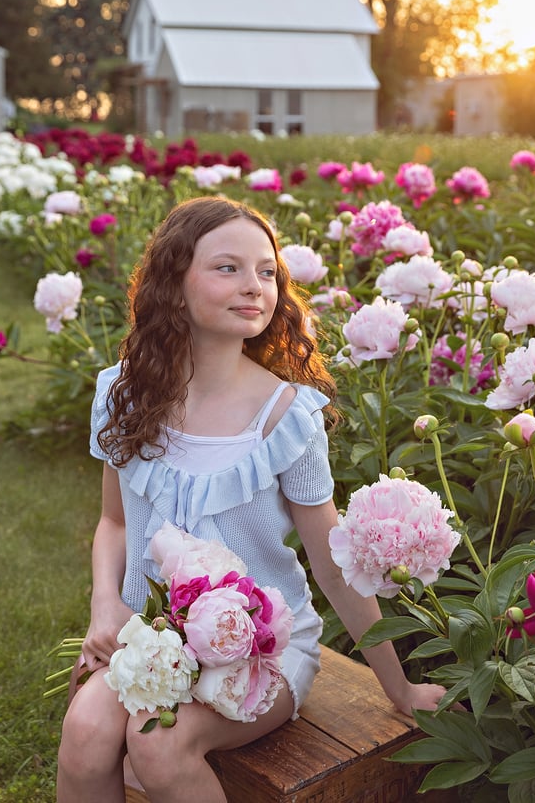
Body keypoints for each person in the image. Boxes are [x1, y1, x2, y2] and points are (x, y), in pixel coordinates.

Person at [57, 195, 451, 803]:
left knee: (158, 742)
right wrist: (104, 606)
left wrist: (399, 689)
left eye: (267, 272)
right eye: (228, 268)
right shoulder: (124, 395)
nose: (254, 286)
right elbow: (114, 522)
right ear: (173, 284)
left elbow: (332, 565)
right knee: (85, 731)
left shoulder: (286, 418)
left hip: (260, 650)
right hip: (149, 637)